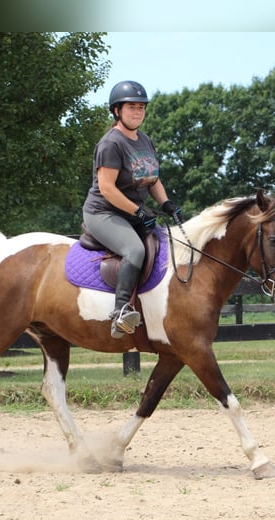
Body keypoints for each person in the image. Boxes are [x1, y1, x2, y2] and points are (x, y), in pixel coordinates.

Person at [83, 80, 184, 339]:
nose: (138, 112)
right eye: (131, 107)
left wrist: (166, 203)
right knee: (135, 249)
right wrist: (139, 213)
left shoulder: (145, 141)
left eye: (141, 107)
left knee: (169, 246)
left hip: (133, 212)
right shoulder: (111, 144)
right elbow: (107, 189)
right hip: (104, 212)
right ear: (117, 110)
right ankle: (121, 313)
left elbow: (153, 179)